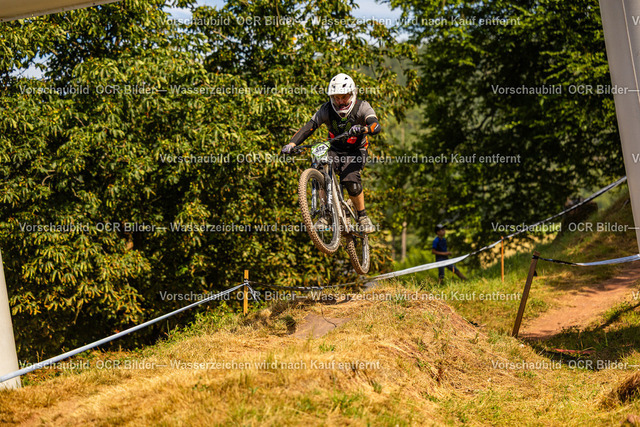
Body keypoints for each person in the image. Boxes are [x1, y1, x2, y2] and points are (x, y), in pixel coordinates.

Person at [281, 73, 381, 233]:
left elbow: (376, 125)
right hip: (334, 149)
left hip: (356, 151)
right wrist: (292, 144)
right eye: (336, 98)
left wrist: (364, 128)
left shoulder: (362, 107)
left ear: (352, 94)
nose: (340, 101)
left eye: (344, 97)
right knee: (321, 168)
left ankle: (362, 216)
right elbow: (309, 127)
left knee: (350, 179)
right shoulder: (326, 109)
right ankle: (326, 214)